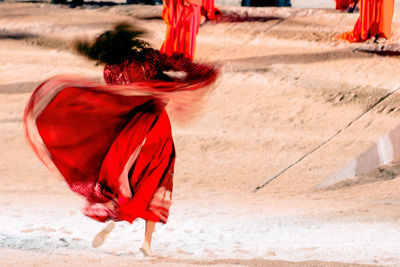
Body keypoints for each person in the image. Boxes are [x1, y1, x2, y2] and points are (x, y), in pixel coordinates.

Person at [23, 23, 218, 257]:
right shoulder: (149, 58)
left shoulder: (110, 71)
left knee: (124, 176)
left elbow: (116, 103)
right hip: (156, 126)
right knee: (155, 177)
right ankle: (146, 242)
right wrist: (178, 81)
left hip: (130, 133)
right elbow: (183, 66)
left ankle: (117, 216)